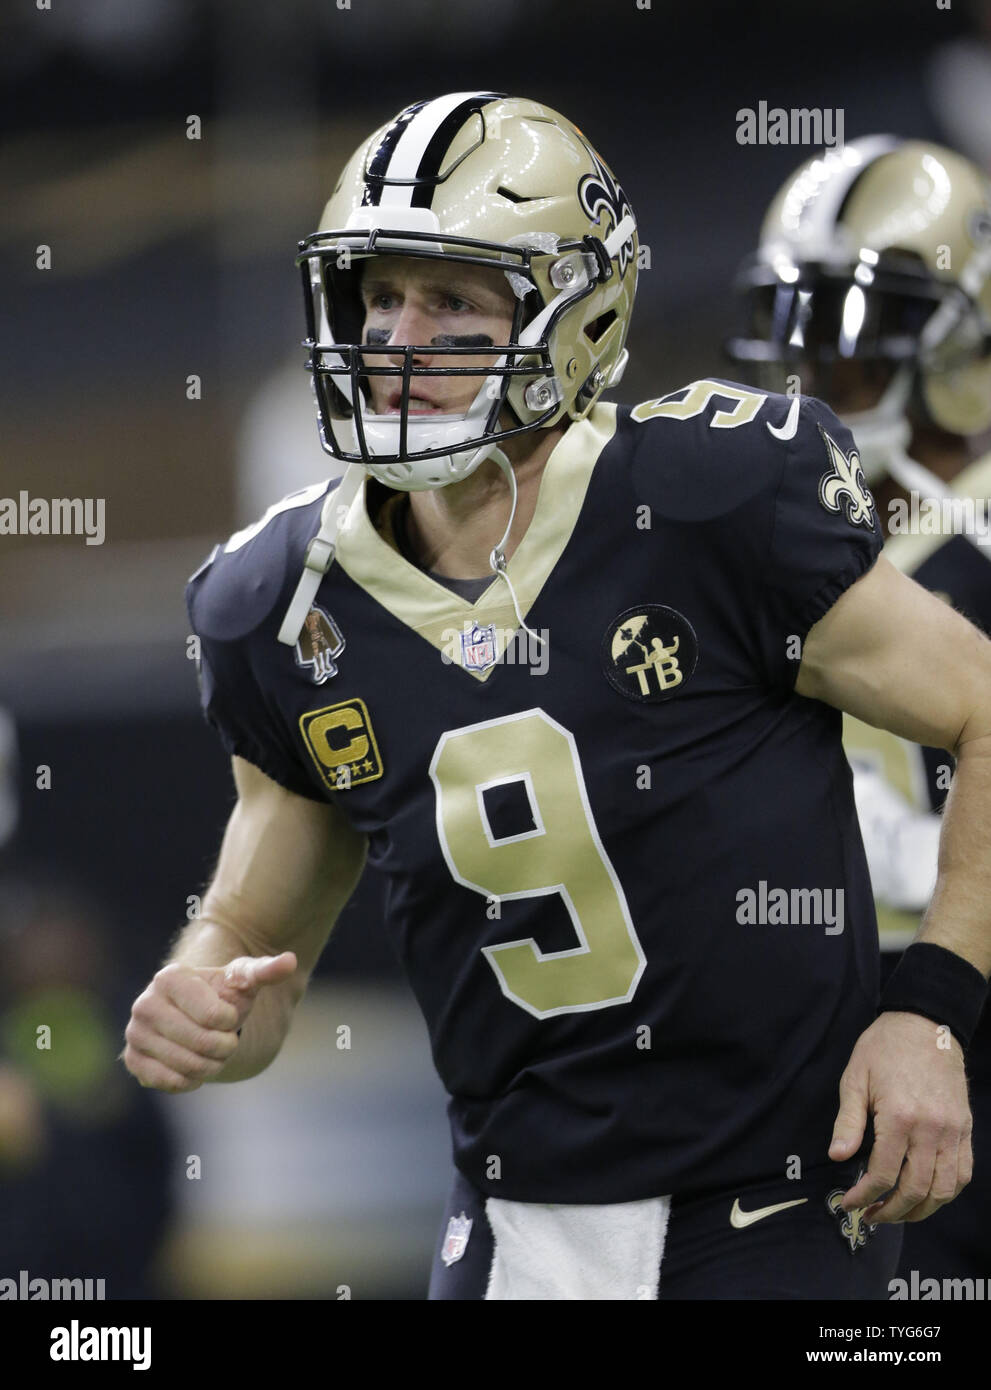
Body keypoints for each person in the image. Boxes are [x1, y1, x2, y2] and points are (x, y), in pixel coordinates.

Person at [123, 94, 991, 1300]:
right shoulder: (280, 607)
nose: (398, 338)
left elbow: (983, 709)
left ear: (573, 314)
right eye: (378, 296)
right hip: (512, 1224)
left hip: (778, 1201)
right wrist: (204, 1006)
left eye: (453, 300)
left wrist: (931, 1010)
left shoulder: (709, 497)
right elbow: (254, 955)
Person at [727, 134, 991, 1285]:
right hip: (837, 1043)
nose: (816, 370)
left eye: (857, 331)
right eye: (801, 326)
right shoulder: (767, 538)